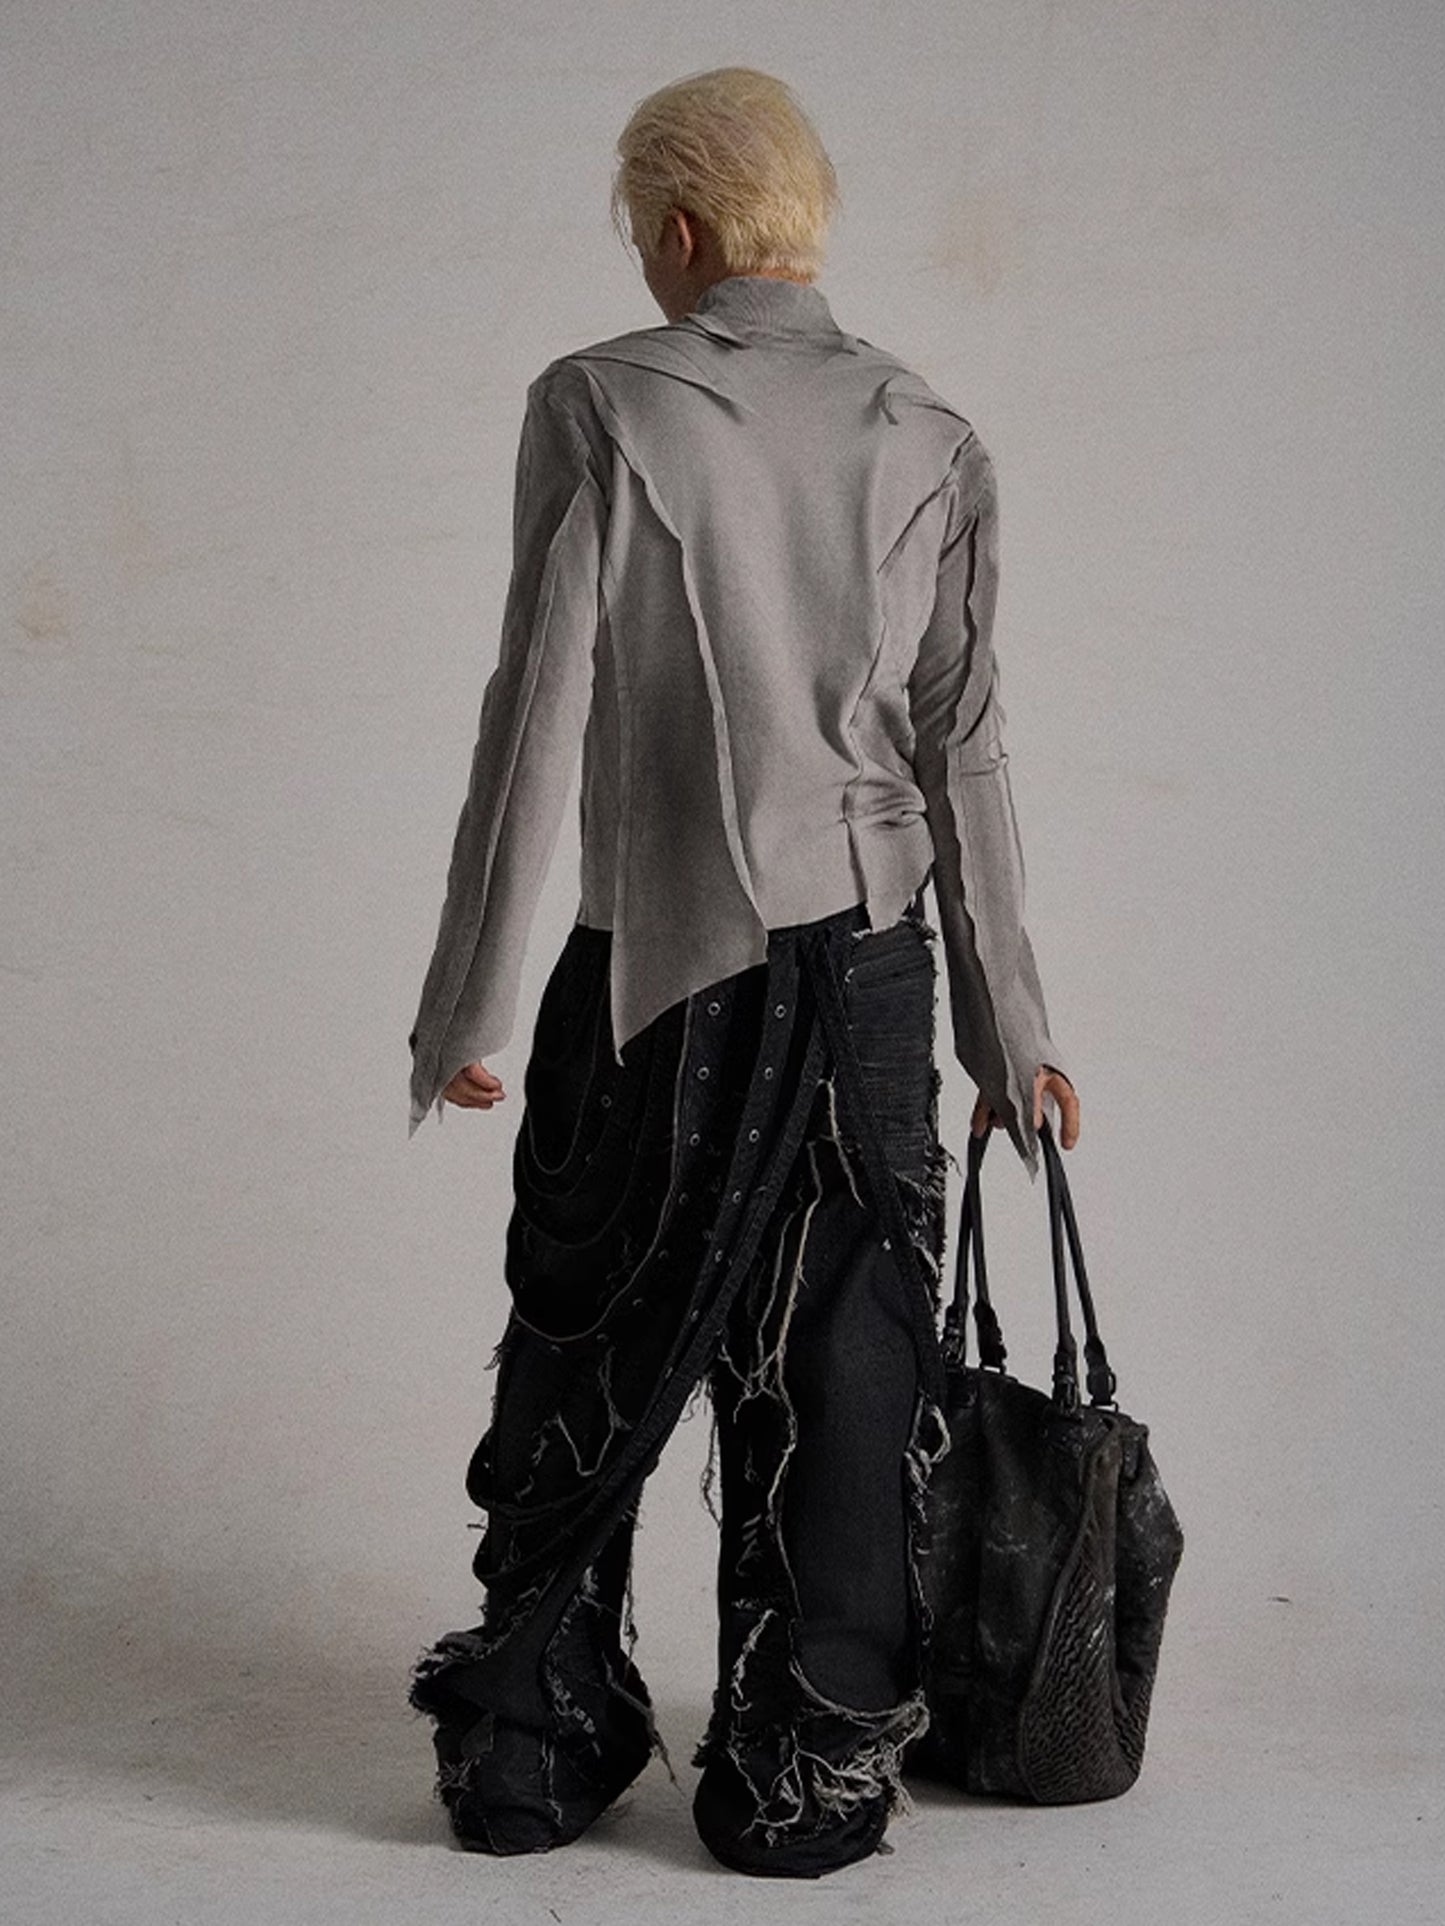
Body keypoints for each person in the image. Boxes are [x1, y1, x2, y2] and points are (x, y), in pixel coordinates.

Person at [404, 64, 1080, 1880]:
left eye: (645, 230)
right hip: (870, 974)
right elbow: (964, 744)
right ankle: (807, 1770)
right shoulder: (928, 427)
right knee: (849, 1371)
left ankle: (534, 1744)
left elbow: (533, 716)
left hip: (655, 973)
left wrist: (466, 1006)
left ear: (681, 228)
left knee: (585, 1335)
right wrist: (1011, 1034)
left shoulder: (602, 398)